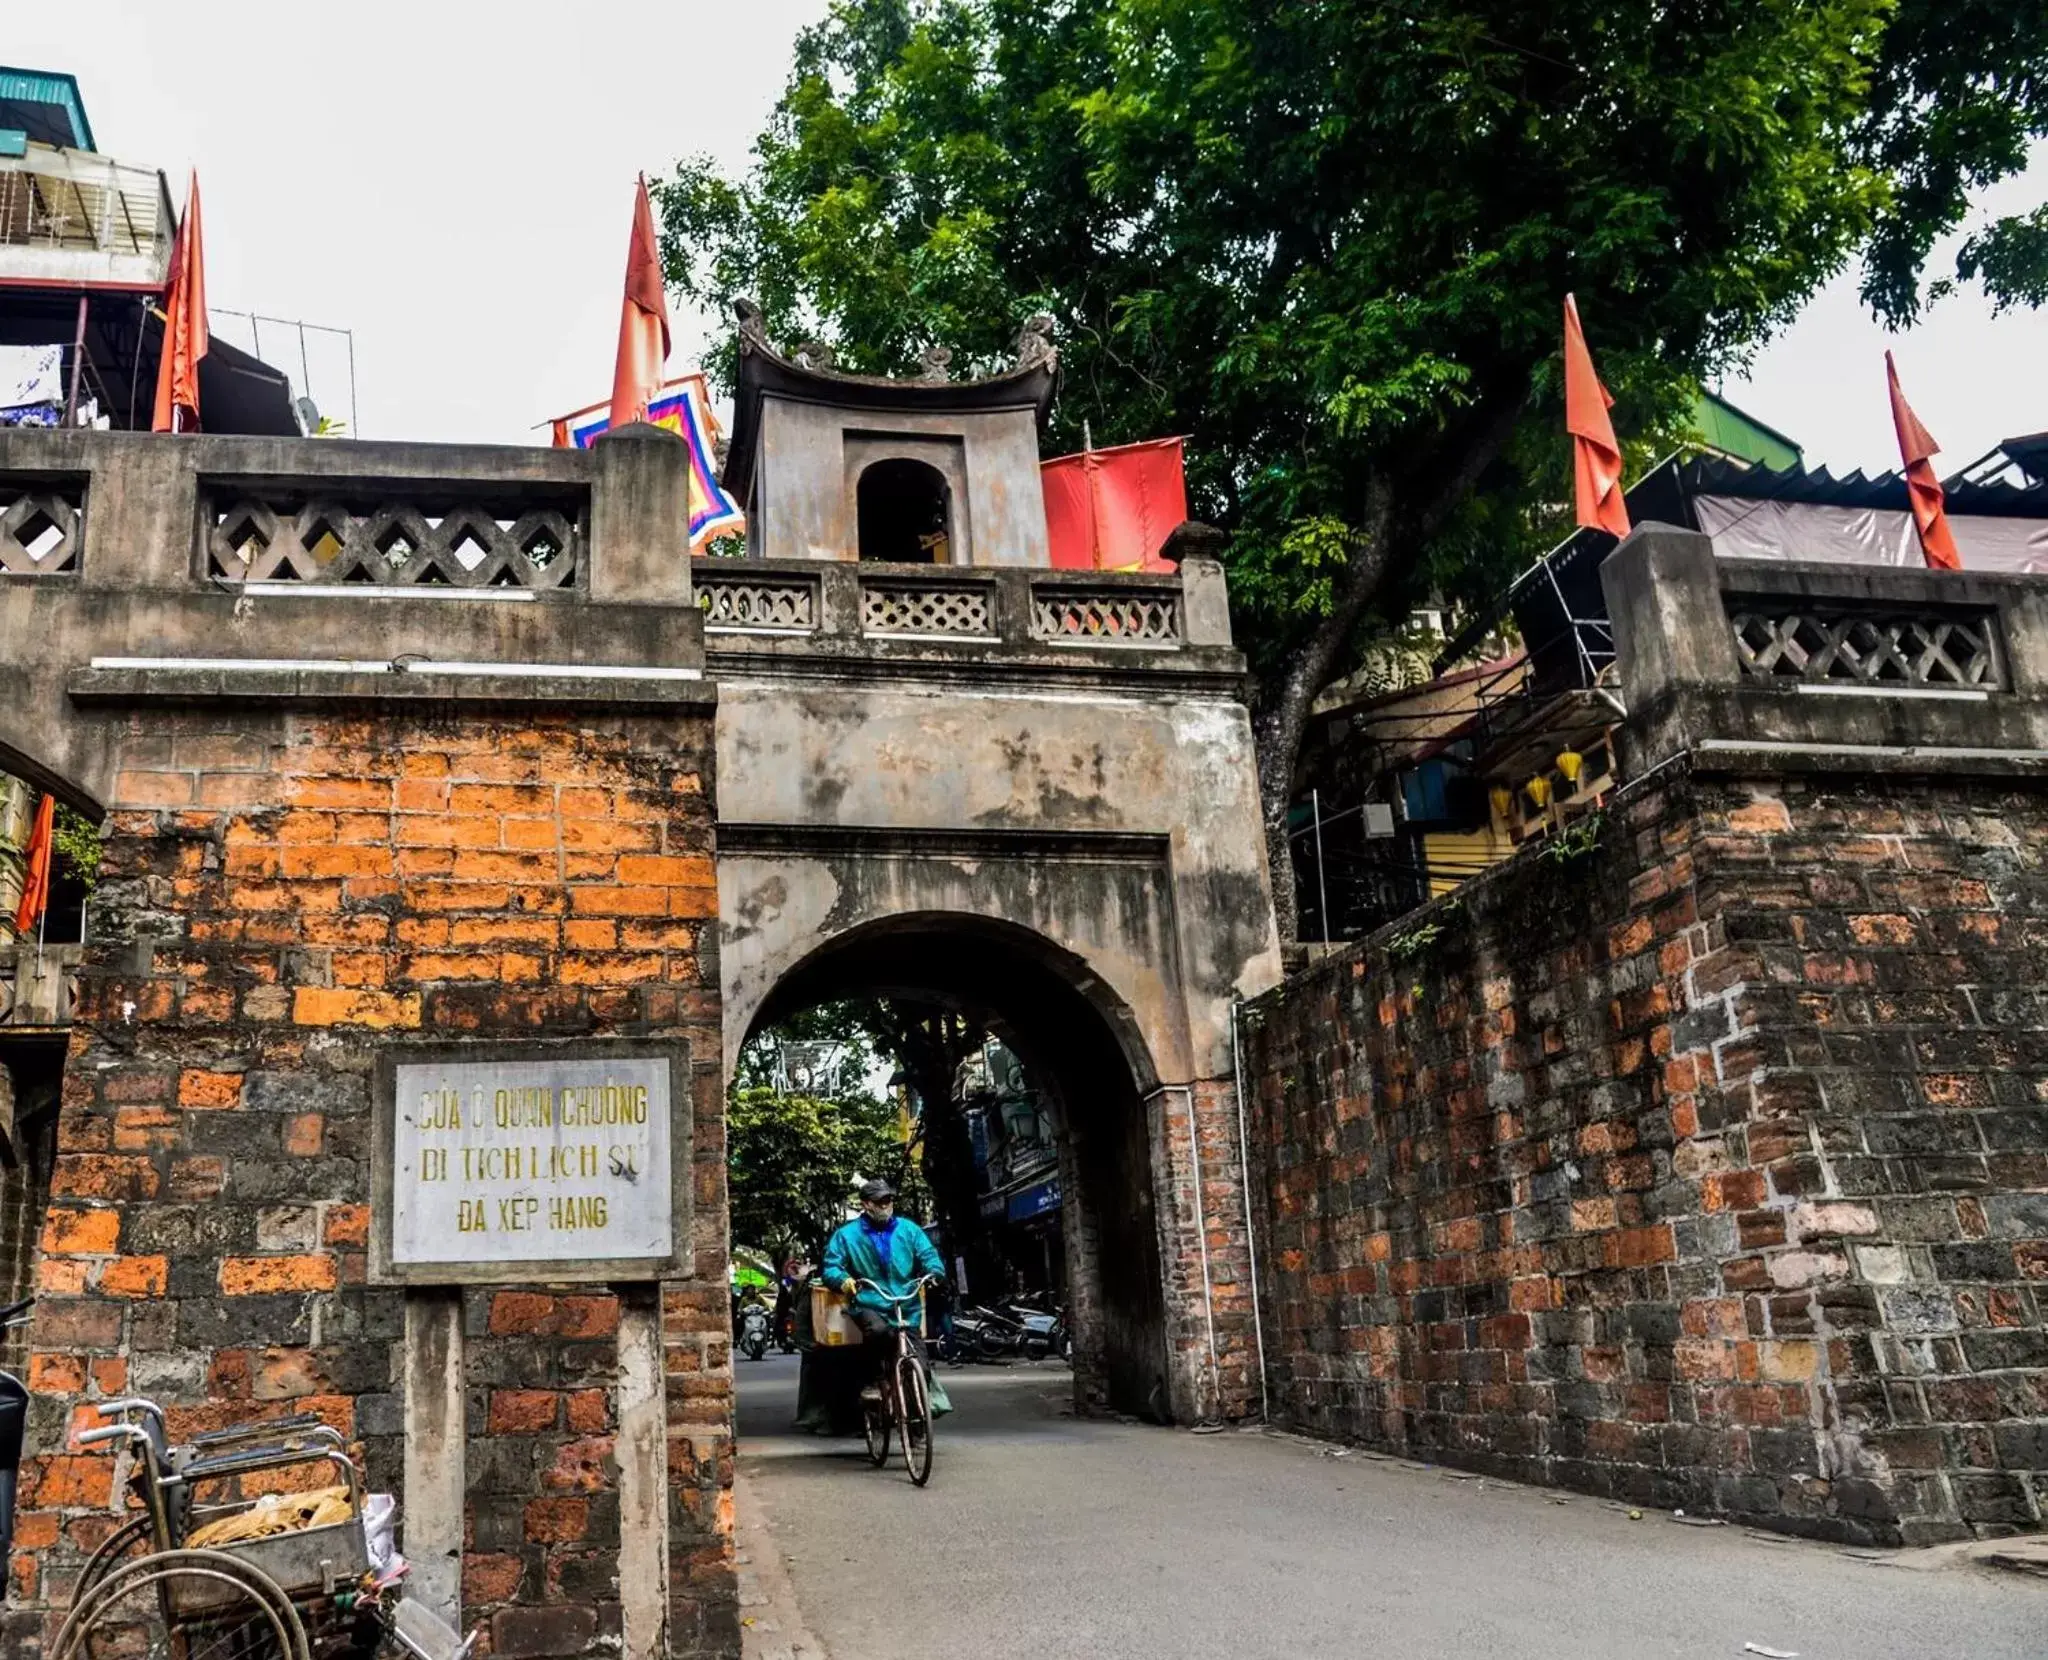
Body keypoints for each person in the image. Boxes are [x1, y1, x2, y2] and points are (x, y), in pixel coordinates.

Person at [821, 1178, 945, 1402]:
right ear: (866, 1204)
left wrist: (934, 1272)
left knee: (922, 1368)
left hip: (906, 1304)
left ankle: (917, 1422)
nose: (886, 1205)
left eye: (889, 1200)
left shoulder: (910, 1230)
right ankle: (873, 1380)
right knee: (877, 1331)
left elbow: (928, 1255)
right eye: (881, 1201)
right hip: (870, 1301)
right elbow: (831, 1267)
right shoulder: (846, 1235)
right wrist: (843, 1280)